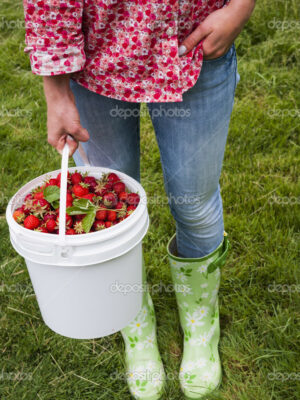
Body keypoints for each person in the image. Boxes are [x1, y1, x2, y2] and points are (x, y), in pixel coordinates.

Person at [23, 0, 256, 398]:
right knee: (107, 212)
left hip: (195, 46)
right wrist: (56, 89)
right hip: (97, 60)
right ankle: (132, 318)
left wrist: (240, 6)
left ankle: (201, 321)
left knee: (194, 203)